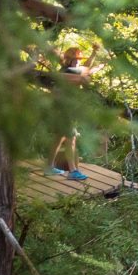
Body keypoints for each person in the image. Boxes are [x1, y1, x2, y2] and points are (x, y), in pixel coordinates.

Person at [50, 44, 92, 180]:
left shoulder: (68, 69)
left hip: (62, 109)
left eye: (79, 59)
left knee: (59, 138)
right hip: (64, 110)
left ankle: (48, 166)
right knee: (71, 138)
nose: (78, 61)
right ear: (69, 60)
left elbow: (85, 68)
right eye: (75, 59)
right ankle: (73, 171)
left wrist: (94, 54)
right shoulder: (69, 70)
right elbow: (86, 71)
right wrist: (97, 65)